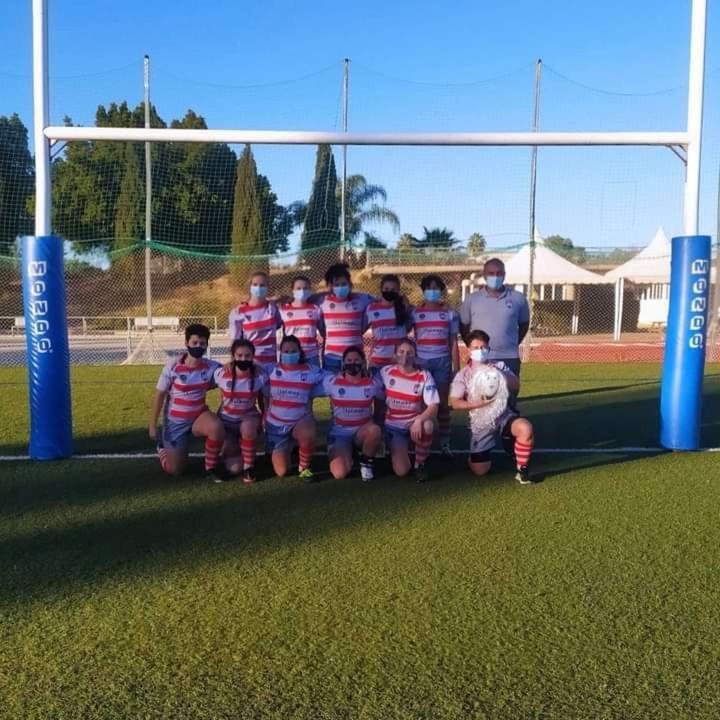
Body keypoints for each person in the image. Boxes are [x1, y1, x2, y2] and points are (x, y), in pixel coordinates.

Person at [449, 329, 535, 484]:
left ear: (488, 349)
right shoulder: (464, 375)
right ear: (468, 349)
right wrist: (477, 403)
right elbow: (455, 402)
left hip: (503, 415)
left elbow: (516, 385)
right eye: (476, 348)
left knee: (525, 428)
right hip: (481, 422)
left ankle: (522, 470)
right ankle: (474, 456)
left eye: (484, 348)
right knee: (480, 470)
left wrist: (499, 374)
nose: (480, 351)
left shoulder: (499, 365)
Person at [149, 323, 225, 481]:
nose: (198, 346)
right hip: (175, 422)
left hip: (198, 416)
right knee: (176, 470)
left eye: (202, 344)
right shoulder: (173, 365)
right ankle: (162, 448)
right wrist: (152, 425)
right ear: (186, 343)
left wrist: (233, 366)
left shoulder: (212, 367)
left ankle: (210, 468)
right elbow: (160, 395)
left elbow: (229, 376)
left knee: (216, 426)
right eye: (195, 343)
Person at [263, 335, 325, 481]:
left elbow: (334, 379)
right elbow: (249, 372)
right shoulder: (270, 369)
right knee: (282, 471)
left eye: (293, 351)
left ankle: (304, 467)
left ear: (300, 352)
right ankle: (290, 445)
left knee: (307, 434)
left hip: (300, 420)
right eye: (286, 351)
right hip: (276, 425)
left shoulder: (311, 370)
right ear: (280, 353)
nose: (289, 354)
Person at [410, 274, 459, 457]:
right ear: (423, 291)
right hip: (421, 363)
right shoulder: (415, 313)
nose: (432, 292)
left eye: (436, 288)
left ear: (441, 291)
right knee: (421, 406)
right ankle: (421, 443)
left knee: (442, 405)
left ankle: (445, 444)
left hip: (442, 362)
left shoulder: (450, 313)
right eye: (428, 288)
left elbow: (453, 341)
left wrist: (456, 368)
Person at [380, 339, 440, 482]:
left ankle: (420, 464)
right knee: (402, 471)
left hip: (414, 424)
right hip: (394, 427)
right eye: (401, 352)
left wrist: (419, 419)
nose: (405, 356)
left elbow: (433, 406)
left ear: (415, 356)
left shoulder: (424, 375)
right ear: (395, 354)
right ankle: (397, 449)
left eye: (409, 352)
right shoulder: (385, 372)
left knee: (428, 424)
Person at [459, 258, 529, 378]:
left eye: (499, 273)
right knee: (479, 395)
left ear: (504, 275)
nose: (495, 276)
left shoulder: (518, 298)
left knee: (508, 394)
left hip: (509, 357)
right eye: (491, 273)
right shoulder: (472, 299)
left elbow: (524, 325)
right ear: (484, 275)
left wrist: (512, 343)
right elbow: (463, 326)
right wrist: (475, 348)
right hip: (480, 358)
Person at [323, 346, 384, 481]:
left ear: (363, 363)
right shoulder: (331, 382)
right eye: (349, 360)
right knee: (340, 474)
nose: (353, 363)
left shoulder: (372, 383)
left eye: (357, 360)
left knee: (375, 430)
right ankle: (344, 450)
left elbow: (386, 398)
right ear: (343, 363)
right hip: (340, 434)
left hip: (362, 432)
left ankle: (366, 465)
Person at [214, 338, 268, 484]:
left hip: (248, 418)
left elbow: (263, 400)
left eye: (247, 356)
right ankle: (240, 454)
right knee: (234, 468)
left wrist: (264, 418)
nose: (243, 359)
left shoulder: (260, 375)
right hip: (227, 422)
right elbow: (218, 395)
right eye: (239, 356)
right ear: (233, 356)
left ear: (252, 357)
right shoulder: (220, 373)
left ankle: (249, 468)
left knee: (248, 426)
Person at [311, 263, 374, 373]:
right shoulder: (322, 301)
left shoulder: (363, 299)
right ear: (330, 286)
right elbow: (304, 300)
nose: (341, 287)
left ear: (350, 283)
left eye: (344, 284)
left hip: (356, 358)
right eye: (337, 285)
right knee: (330, 390)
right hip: (332, 358)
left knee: (356, 389)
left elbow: (383, 302)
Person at [228, 271, 281, 369]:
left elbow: (279, 324)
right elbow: (235, 342)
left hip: (271, 363)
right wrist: (233, 362)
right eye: (255, 285)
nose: (259, 288)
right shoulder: (238, 312)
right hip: (250, 363)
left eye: (262, 285)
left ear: (267, 287)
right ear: (250, 287)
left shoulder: (273, 308)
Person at [365, 273, 412, 373]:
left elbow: (407, 329)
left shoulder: (404, 307)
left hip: (398, 362)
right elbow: (361, 329)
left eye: (393, 290)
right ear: (381, 290)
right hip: (377, 362)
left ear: (398, 291)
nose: (389, 292)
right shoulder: (372, 308)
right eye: (386, 289)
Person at [278, 275, 324, 367]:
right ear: (293, 290)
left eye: (305, 288)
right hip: (290, 355)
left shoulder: (316, 309)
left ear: (310, 290)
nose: (302, 291)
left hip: (311, 356)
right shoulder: (283, 310)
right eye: (298, 288)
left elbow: (323, 331)